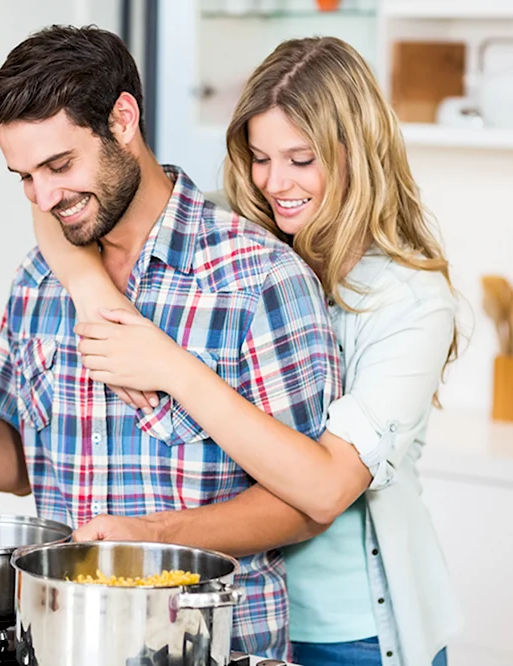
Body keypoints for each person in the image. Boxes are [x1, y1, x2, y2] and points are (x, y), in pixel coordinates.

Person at [0, 26, 340, 660]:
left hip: (209, 647)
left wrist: (147, 539)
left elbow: (305, 504)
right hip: (58, 643)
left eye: (59, 165)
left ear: (122, 119)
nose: (45, 198)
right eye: (23, 177)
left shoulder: (258, 279)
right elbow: (22, 468)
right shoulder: (39, 280)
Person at [30, 36, 463, 666]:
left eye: (301, 158)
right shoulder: (244, 241)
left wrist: (171, 367)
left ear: (358, 156)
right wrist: (94, 293)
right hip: (241, 609)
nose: (275, 182)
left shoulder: (412, 302)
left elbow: (324, 489)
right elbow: (52, 209)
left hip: (351, 628)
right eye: (260, 157)